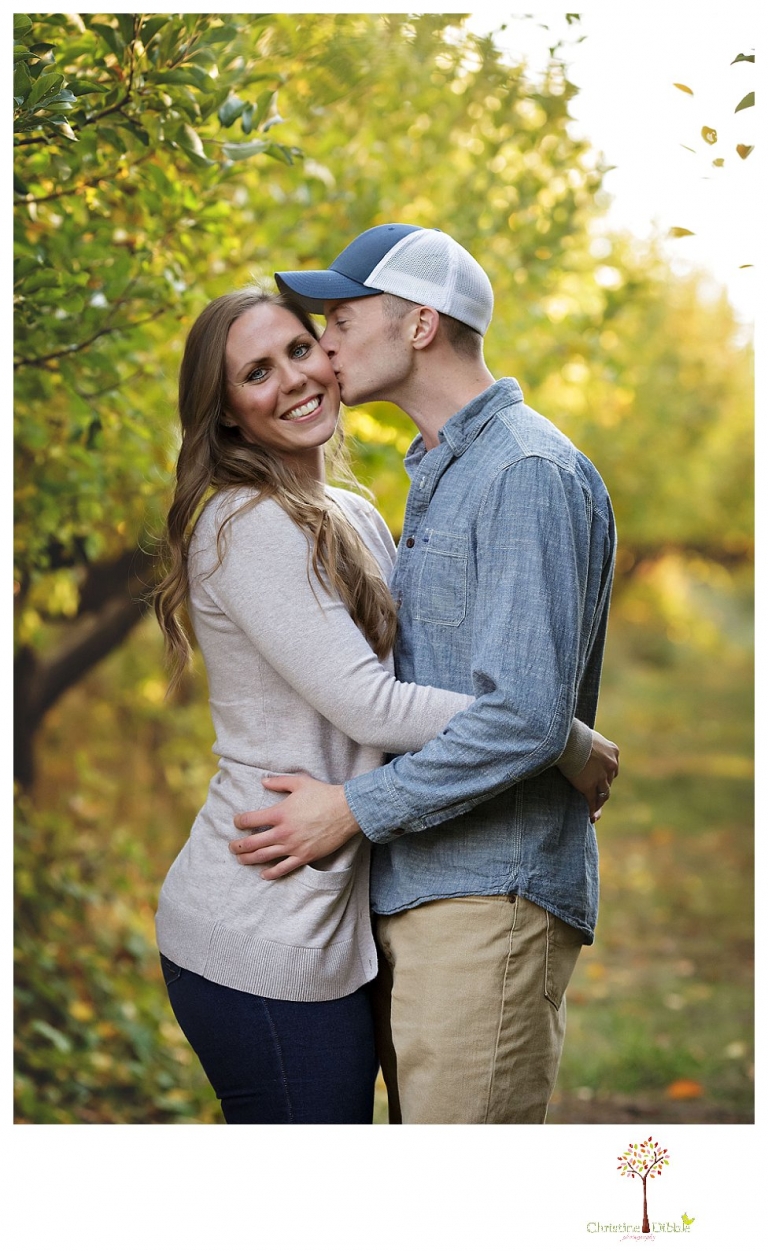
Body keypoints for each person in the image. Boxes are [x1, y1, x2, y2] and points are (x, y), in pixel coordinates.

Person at [152, 286, 606, 1125]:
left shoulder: (352, 511)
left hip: (330, 919)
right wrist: (560, 736)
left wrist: (538, 721)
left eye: (299, 348)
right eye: (256, 372)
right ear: (227, 417)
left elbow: (426, 666)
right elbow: (372, 703)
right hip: (259, 915)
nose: (293, 377)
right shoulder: (242, 524)